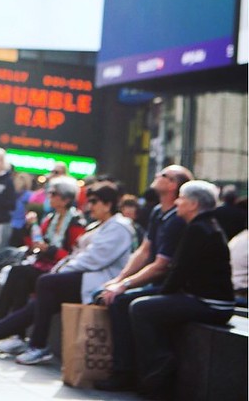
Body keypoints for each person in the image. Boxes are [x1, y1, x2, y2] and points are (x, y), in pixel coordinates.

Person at [0, 181, 135, 365]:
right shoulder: (94, 224)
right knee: (37, 295)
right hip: (80, 275)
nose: (90, 205)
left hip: (98, 281)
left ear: (108, 204)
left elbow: (93, 258)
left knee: (46, 283)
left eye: (94, 201)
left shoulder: (117, 227)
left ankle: (31, 343)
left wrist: (62, 269)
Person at [129, 180, 235, 398]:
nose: (177, 202)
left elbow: (178, 271)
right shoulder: (204, 225)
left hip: (211, 305)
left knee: (140, 308)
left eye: (182, 198)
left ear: (194, 204)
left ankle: (160, 364)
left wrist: (160, 295)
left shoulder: (199, 228)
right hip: (204, 299)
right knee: (146, 304)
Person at [93, 164, 193, 393]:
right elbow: (144, 251)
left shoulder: (177, 219)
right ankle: (127, 369)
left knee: (121, 301)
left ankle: (126, 372)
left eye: (163, 175)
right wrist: (118, 279)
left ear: (173, 185)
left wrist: (123, 285)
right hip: (155, 282)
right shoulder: (158, 211)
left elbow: (160, 266)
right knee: (107, 295)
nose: (156, 176)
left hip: (171, 286)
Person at [0, 176, 86, 329]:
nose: (49, 196)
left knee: (20, 273)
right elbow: (33, 245)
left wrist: (50, 250)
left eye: (53, 193)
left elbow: (75, 254)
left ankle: (2, 324)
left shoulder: (76, 222)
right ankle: (3, 325)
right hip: (41, 263)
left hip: (58, 270)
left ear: (65, 199)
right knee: (19, 274)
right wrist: (29, 229)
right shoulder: (51, 218)